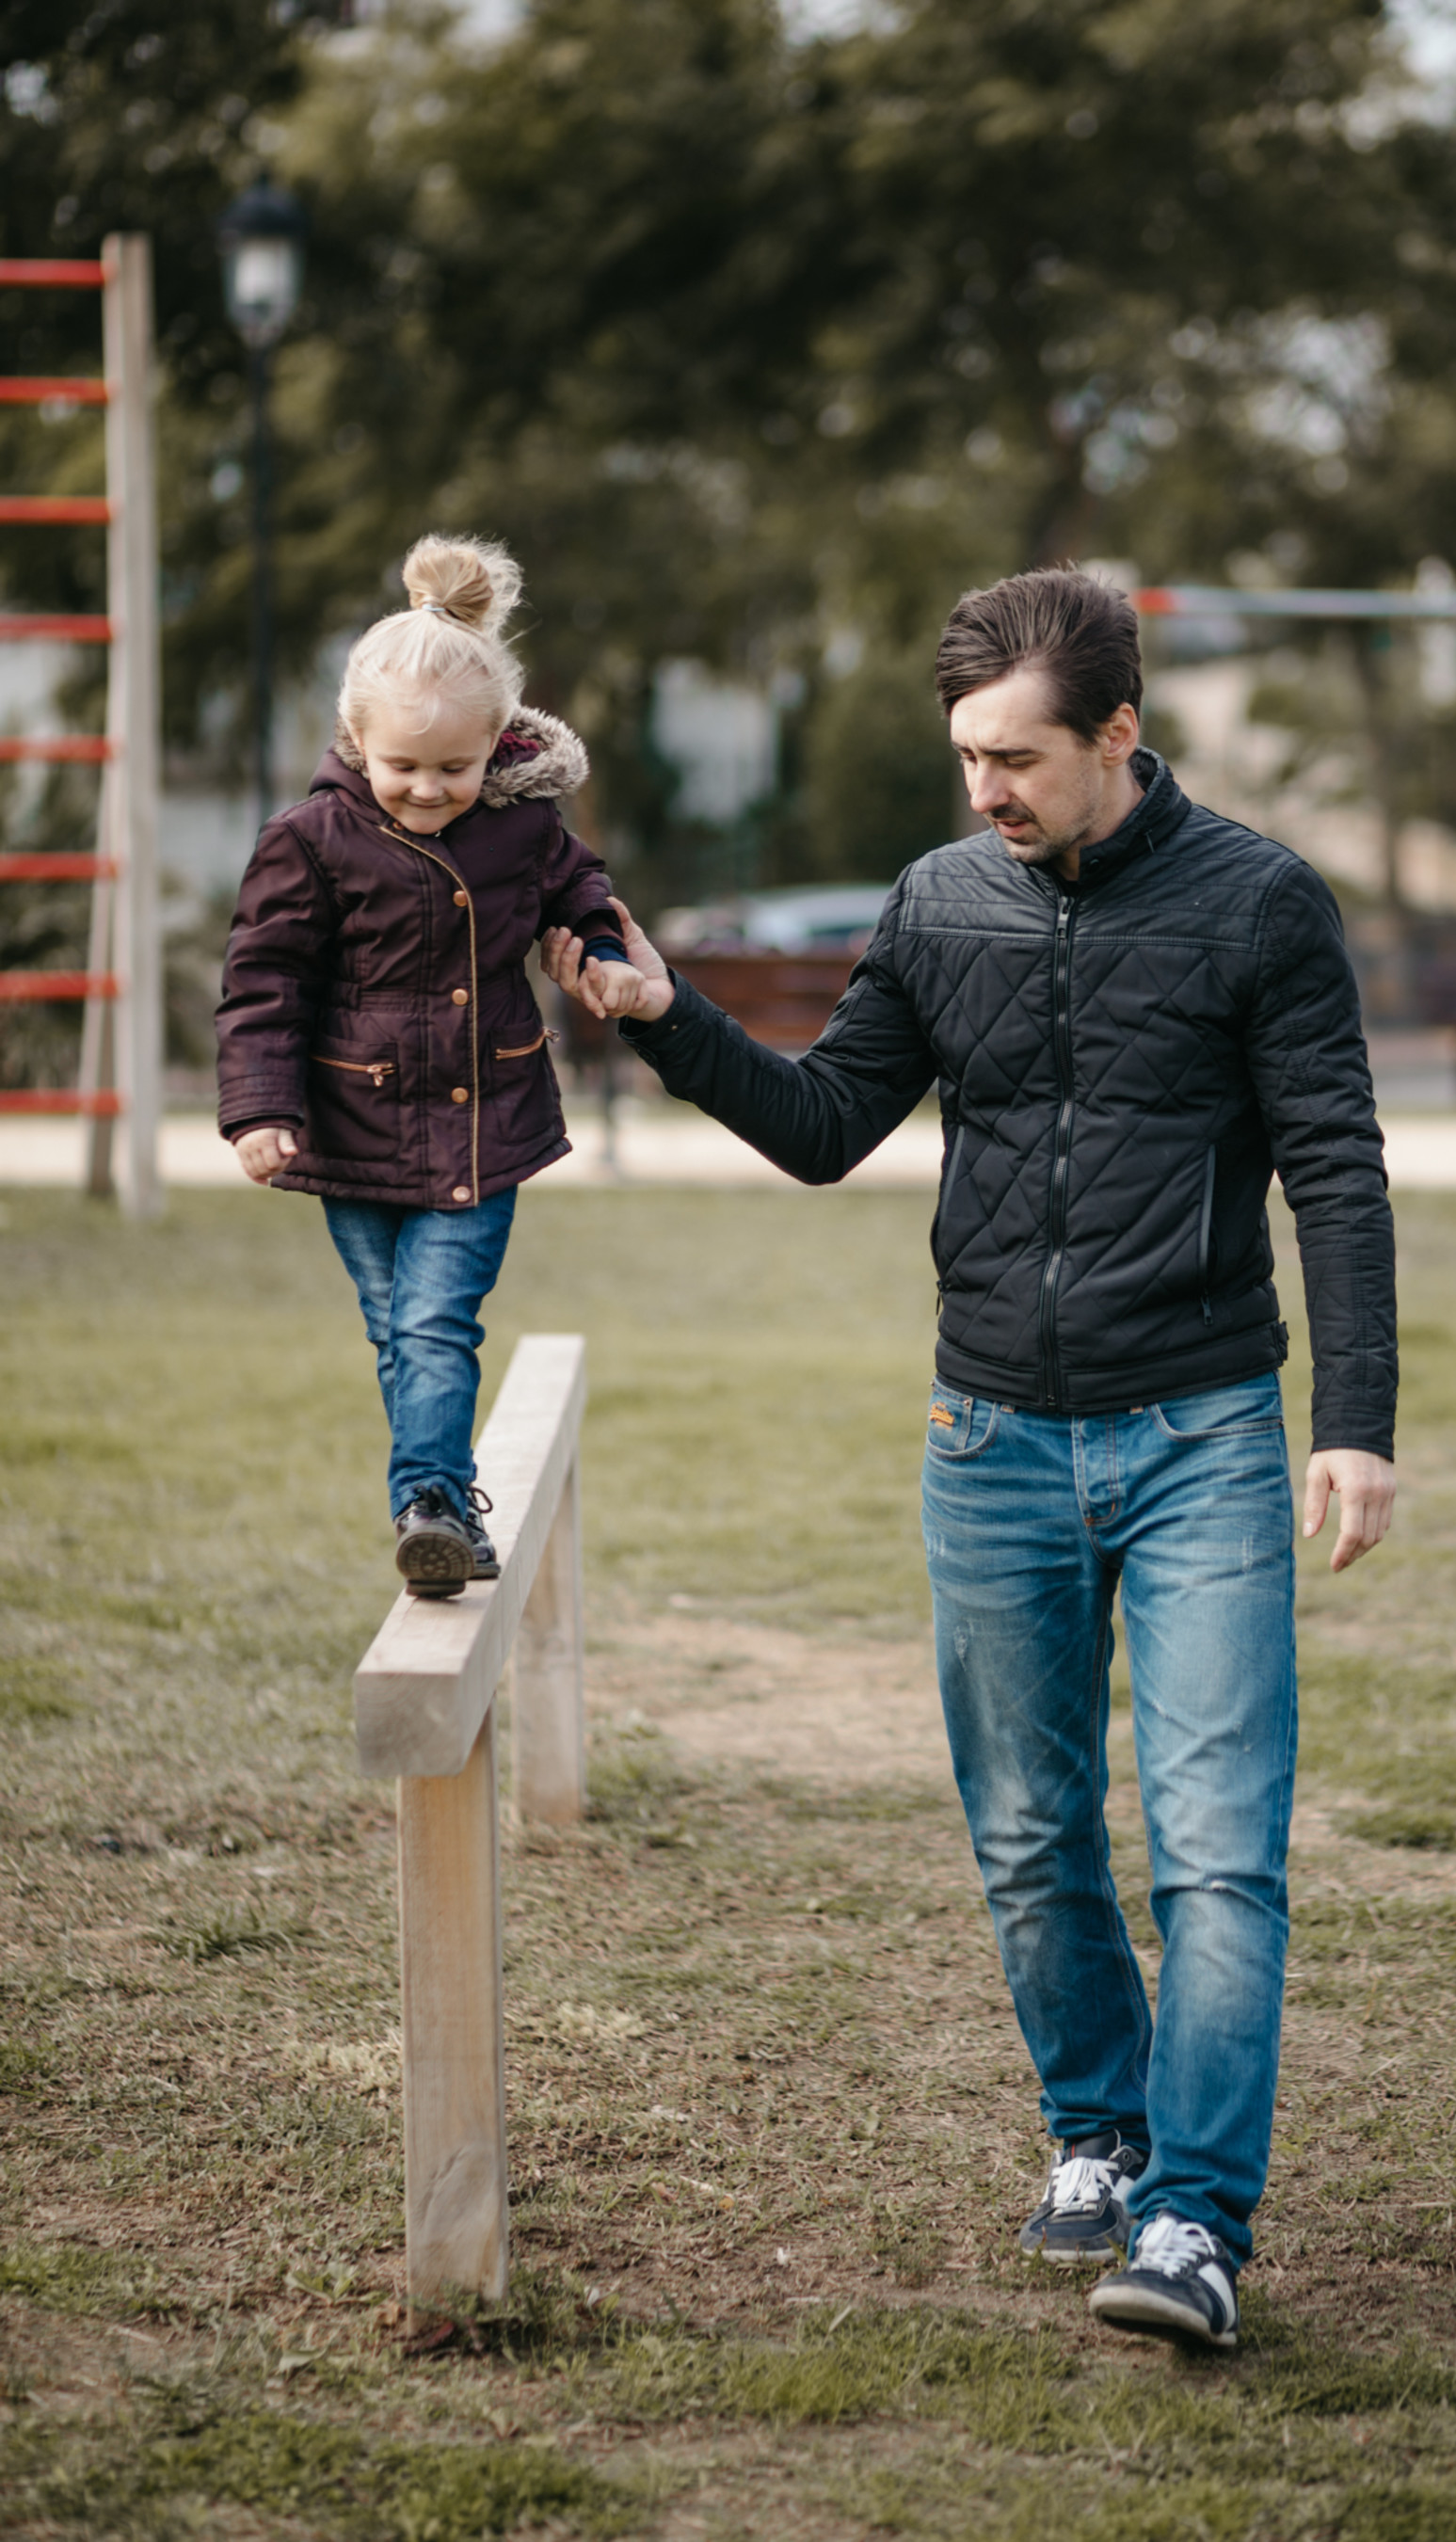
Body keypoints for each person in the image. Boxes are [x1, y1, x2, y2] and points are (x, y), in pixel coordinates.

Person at [550, 567, 1396, 2350]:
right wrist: (663, 1016)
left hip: (1203, 1435)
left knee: (1220, 1849)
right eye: (966, 758)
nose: (985, 791)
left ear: (1118, 734)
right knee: (1026, 1832)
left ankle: (1195, 2224)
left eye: (1018, 757)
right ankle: (1096, 2130)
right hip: (989, 1432)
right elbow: (829, 1124)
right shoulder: (939, 902)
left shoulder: (1261, 906)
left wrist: (1357, 1425)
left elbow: (1335, 1167)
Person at [216, 534, 642, 1598]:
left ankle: (430, 1506)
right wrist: (258, 1110)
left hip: (479, 1118)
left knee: (432, 1322)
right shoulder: (310, 838)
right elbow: (264, 978)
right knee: (397, 1332)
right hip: (350, 1124)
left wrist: (601, 959)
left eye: (453, 769)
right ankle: (444, 1501)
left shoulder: (524, 826)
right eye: (403, 766)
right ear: (355, 739)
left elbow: (583, 899)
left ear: (497, 743)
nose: (425, 789)